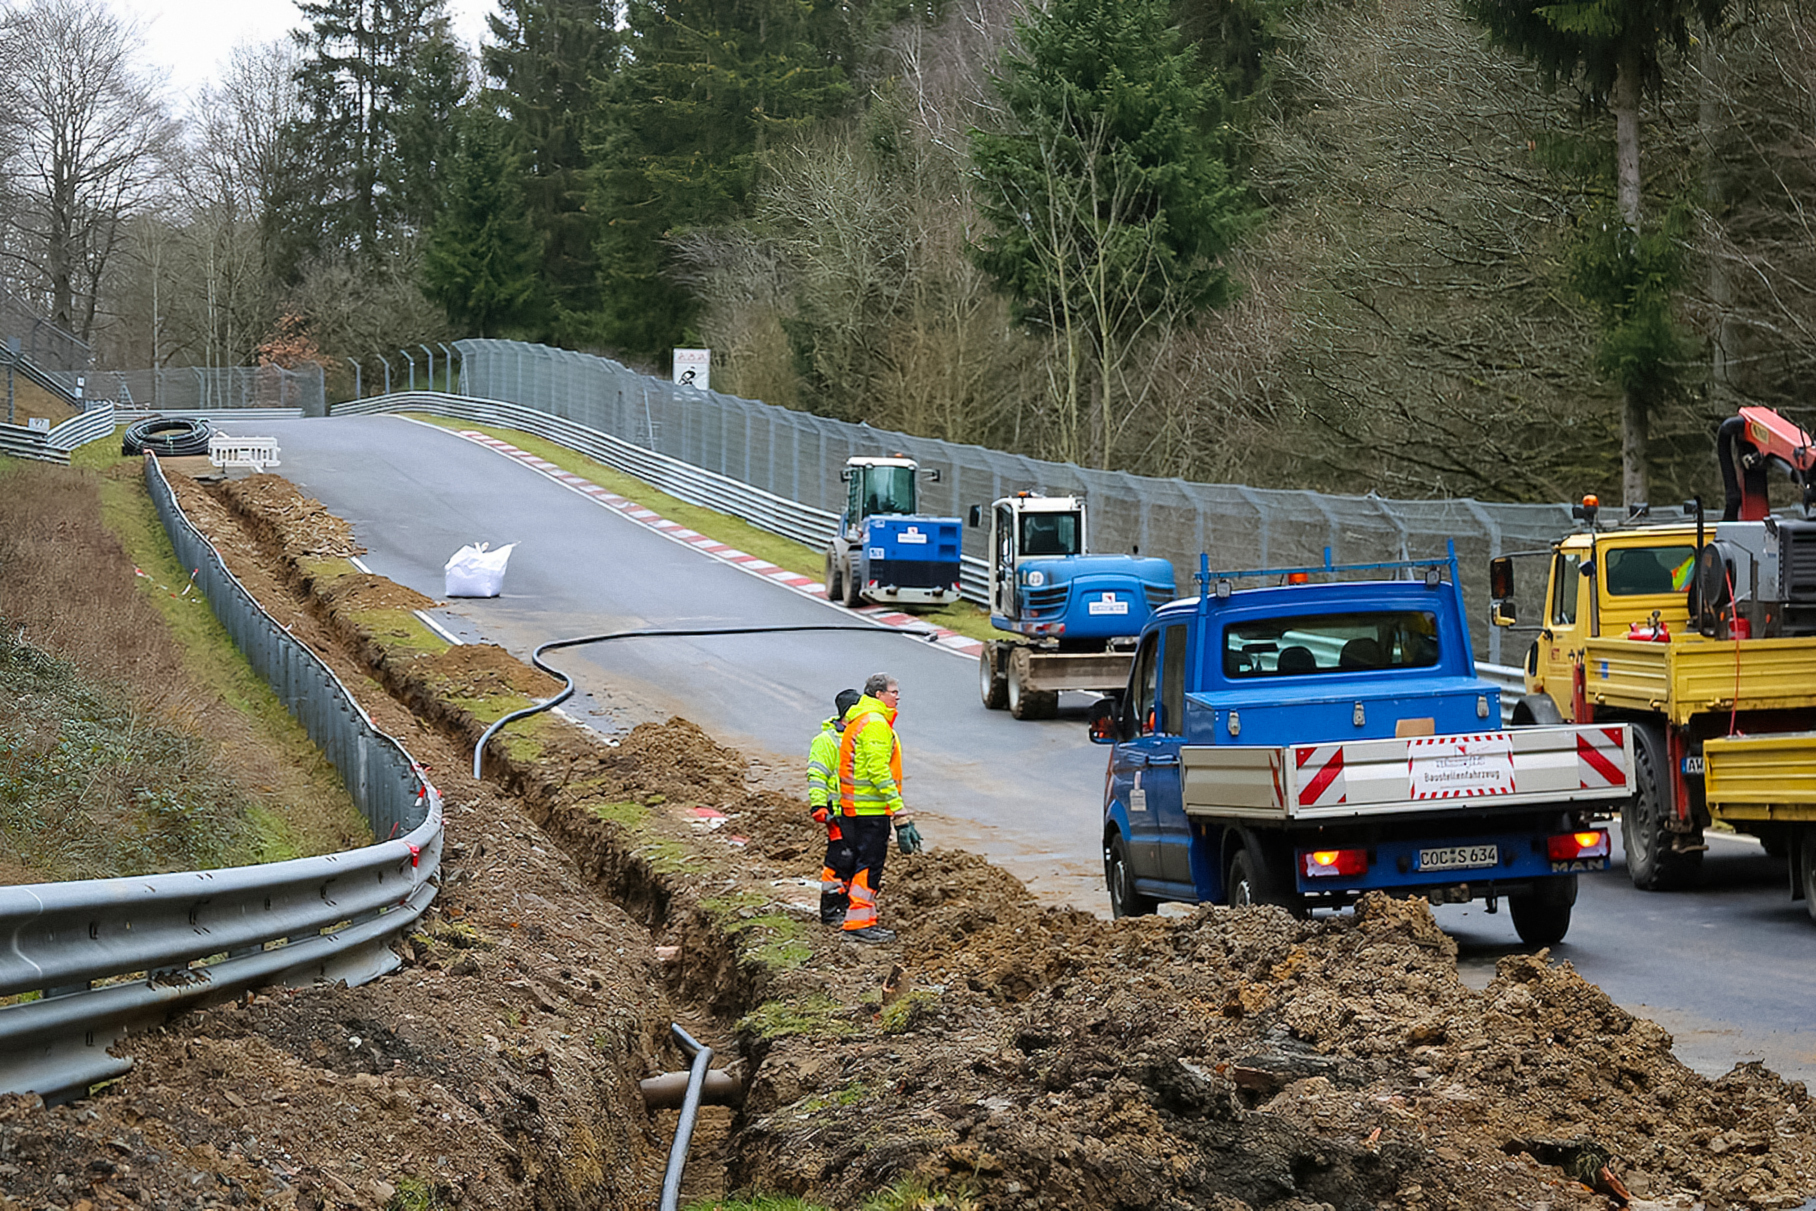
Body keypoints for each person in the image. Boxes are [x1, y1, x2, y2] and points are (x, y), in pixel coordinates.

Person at [834, 672, 924, 944]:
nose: (897, 696)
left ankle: (863, 919)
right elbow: (878, 771)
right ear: (878, 695)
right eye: (893, 691)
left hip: (858, 807)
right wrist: (899, 811)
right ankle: (858, 923)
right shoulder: (875, 724)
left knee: (864, 863)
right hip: (869, 809)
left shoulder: (863, 719)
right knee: (868, 865)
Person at [807, 688, 862, 925]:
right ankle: (831, 911)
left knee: (857, 859)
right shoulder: (826, 741)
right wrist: (819, 806)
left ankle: (849, 906)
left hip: (860, 812)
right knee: (839, 860)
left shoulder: (862, 737)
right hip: (837, 813)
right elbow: (817, 775)